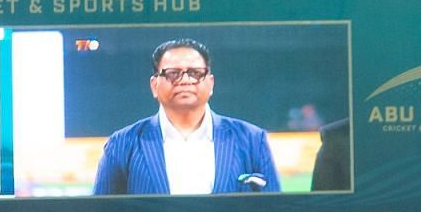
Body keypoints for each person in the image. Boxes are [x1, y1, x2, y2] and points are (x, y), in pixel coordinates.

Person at [91, 39, 281, 196]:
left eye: (195, 73)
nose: (185, 80)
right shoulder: (123, 144)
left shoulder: (252, 139)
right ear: (154, 85)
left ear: (211, 83)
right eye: (173, 73)